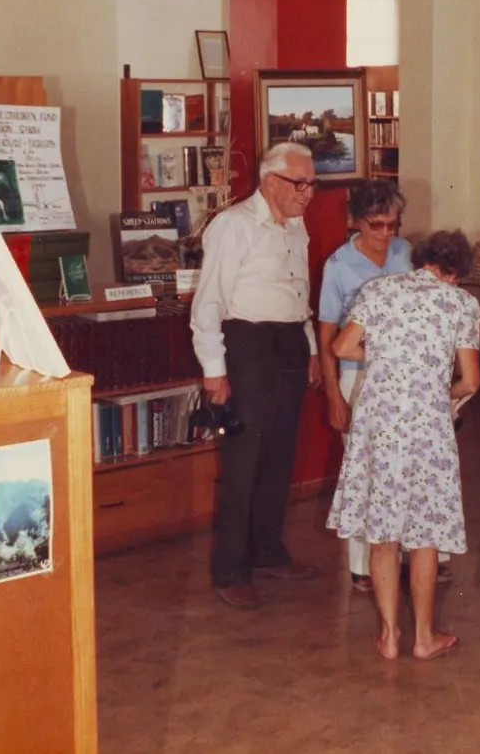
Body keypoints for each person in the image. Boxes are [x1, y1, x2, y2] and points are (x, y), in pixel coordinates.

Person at [326, 230, 480, 661]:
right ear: (455, 272)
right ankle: (424, 637)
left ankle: (390, 635)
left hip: (379, 419)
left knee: (384, 534)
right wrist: (437, 389)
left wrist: (385, 360)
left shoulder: (379, 289)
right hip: (427, 423)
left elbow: (342, 346)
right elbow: (471, 381)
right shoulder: (460, 304)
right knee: (425, 534)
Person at [190, 142, 323, 610]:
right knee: (244, 459)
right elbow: (208, 304)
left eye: (312, 184)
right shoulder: (234, 226)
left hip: (287, 343)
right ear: (270, 181)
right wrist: (214, 373)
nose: (308, 193)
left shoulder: (295, 226)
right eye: (299, 183)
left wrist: (307, 346)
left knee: (279, 455)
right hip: (245, 347)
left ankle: (269, 549)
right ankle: (231, 568)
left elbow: (298, 288)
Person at [319, 180, 414, 593]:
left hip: (404, 376)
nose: (387, 234)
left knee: (406, 466)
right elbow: (326, 338)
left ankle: (410, 554)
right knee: (365, 472)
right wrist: (334, 396)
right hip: (358, 375)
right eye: (377, 225)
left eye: (393, 225)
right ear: (356, 221)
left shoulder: (405, 253)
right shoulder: (338, 266)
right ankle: (361, 566)